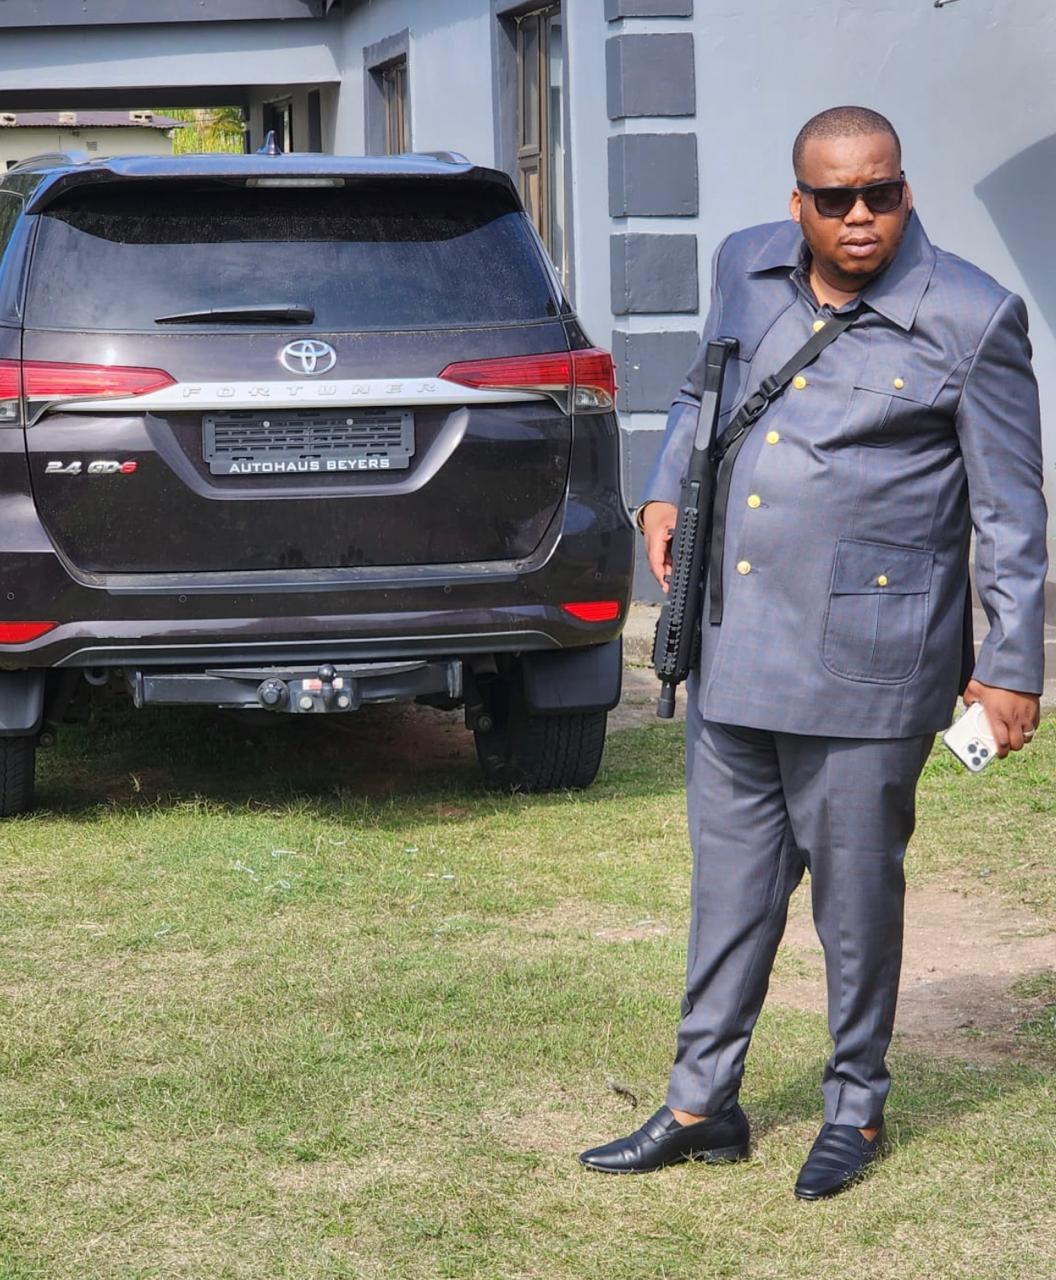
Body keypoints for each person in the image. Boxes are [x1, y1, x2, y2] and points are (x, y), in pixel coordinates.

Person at [578, 106, 1048, 1199]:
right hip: (735, 641)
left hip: (870, 665)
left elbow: (1013, 514)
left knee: (853, 903)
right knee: (729, 892)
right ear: (799, 203)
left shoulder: (972, 316)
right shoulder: (746, 267)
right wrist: (663, 489)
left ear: (905, 191)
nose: (859, 216)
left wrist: (1012, 667)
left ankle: (856, 1108)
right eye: (834, 198)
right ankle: (702, 1102)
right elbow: (700, 392)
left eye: (879, 193)